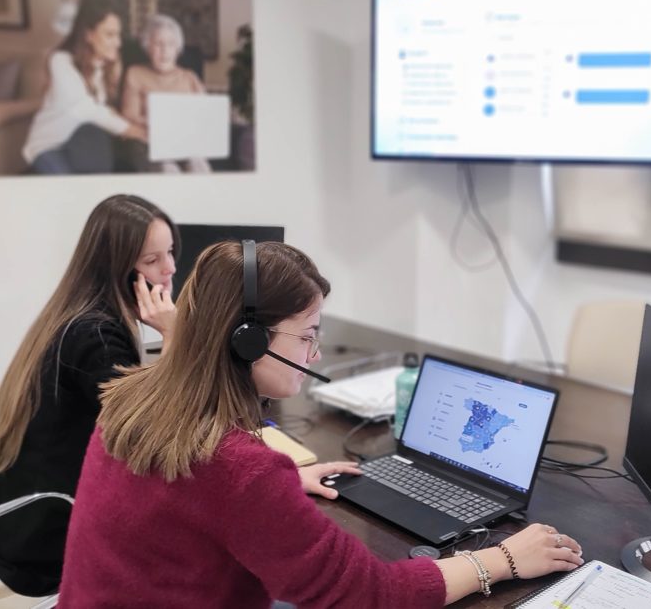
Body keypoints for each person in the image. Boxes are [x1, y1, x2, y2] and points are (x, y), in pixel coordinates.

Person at [57, 241, 583, 607]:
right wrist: (505, 557)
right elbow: (372, 595)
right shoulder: (239, 473)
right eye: (308, 333)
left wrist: (278, 485)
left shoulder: (134, 395)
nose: (317, 350)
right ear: (248, 341)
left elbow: (187, 500)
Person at [0, 194, 179, 596]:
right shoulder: (96, 336)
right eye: (151, 260)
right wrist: (174, 335)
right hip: (41, 550)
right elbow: (154, 434)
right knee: (188, 549)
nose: (171, 269)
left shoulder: (78, 315)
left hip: (14, 527)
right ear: (118, 269)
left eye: (170, 252)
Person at [23, 0, 147, 174]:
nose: (118, 43)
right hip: (49, 147)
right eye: (110, 34)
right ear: (88, 34)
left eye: (118, 35)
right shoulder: (60, 61)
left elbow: (102, 110)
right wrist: (131, 130)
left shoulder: (98, 67)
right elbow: (85, 109)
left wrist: (136, 124)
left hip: (78, 145)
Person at [120, 14, 212, 174]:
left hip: (186, 142)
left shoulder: (190, 77)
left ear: (178, 48)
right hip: (149, 142)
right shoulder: (135, 73)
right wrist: (161, 124)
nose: (165, 51)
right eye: (158, 44)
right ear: (147, 46)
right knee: (168, 170)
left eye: (170, 44)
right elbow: (129, 115)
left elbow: (206, 116)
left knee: (199, 167)